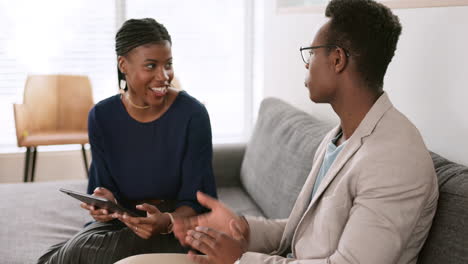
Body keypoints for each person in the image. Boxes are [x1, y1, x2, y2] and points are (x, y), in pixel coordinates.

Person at [169, 0, 439, 263]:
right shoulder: (339, 136)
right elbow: (306, 229)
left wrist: (240, 259)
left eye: (311, 52)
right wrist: (241, 226)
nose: (307, 63)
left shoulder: (395, 159)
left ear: (337, 60)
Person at [37, 18, 217, 264]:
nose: (163, 76)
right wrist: (104, 205)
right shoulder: (101, 116)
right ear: (123, 64)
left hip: (179, 227)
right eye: (151, 66)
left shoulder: (192, 115)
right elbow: (101, 189)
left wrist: (164, 221)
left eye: (168, 64)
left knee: (77, 253)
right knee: (58, 255)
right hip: (124, 224)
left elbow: (199, 200)